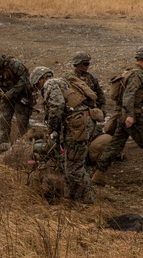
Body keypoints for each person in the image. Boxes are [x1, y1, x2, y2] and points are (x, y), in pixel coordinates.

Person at [91, 47, 143, 186]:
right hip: (132, 114)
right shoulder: (137, 75)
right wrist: (130, 116)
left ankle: (99, 174)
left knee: (116, 145)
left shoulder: (128, 71)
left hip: (121, 114)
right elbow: (128, 96)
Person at [30, 66, 96, 204]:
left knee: (74, 167)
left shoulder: (50, 84)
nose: (38, 88)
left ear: (41, 79)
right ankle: (71, 198)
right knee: (70, 163)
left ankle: (87, 202)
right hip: (81, 122)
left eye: (37, 84)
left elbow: (57, 105)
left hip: (76, 126)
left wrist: (52, 128)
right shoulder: (62, 82)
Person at [0, 52, 33, 153]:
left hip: (21, 96)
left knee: (22, 120)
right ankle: (3, 143)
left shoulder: (15, 65)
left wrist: (12, 92)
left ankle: (25, 142)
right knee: (4, 120)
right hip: (5, 97)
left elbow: (24, 80)